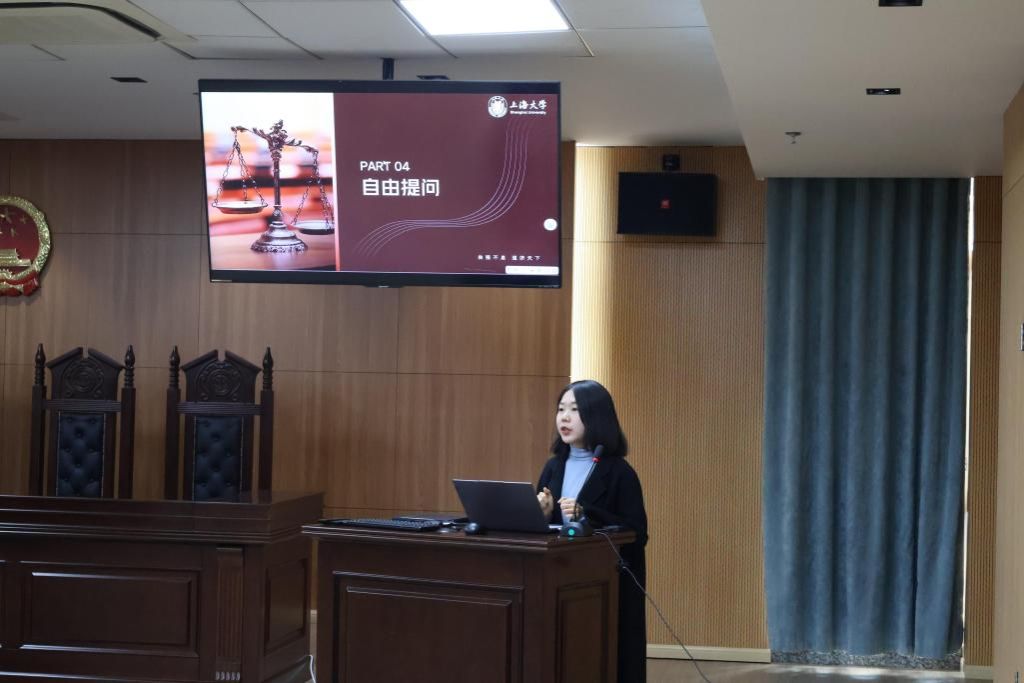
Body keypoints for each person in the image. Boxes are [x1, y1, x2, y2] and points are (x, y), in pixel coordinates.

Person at [536, 379, 648, 683]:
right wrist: (542, 515)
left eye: (575, 410)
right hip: (559, 577)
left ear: (597, 417)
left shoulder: (619, 472)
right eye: (561, 409)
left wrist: (588, 514)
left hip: (603, 584)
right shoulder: (553, 467)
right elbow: (549, 529)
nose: (564, 417)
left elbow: (637, 532)